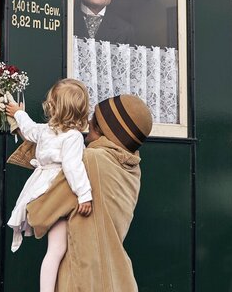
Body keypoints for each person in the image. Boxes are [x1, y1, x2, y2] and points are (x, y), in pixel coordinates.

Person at [26, 94, 152, 292]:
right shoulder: (132, 168)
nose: (87, 123)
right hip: (118, 279)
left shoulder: (90, 161)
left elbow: (39, 215)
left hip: (83, 280)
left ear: (105, 130)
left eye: (94, 119)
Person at [5, 79, 93, 292]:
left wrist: (18, 113)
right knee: (57, 249)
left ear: (53, 107)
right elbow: (72, 167)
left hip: (40, 187)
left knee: (55, 249)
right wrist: (85, 195)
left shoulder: (45, 130)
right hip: (57, 192)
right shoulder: (73, 137)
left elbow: (28, 129)